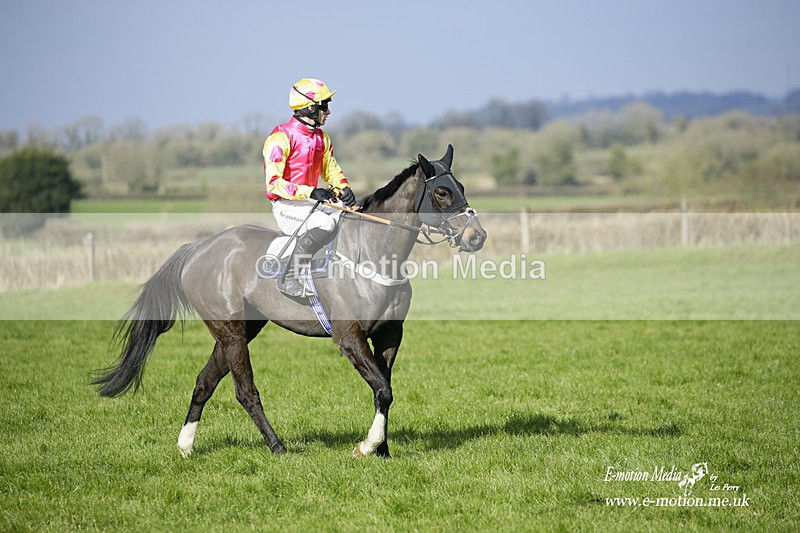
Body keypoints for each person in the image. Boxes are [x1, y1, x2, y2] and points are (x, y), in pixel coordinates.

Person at [262, 78, 357, 297]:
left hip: (310, 202)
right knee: (324, 224)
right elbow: (273, 185)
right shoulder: (280, 137)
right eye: (325, 105)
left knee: (350, 216)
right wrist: (311, 192)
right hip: (286, 205)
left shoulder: (322, 138)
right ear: (310, 107)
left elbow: (331, 170)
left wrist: (344, 189)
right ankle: (290, 277)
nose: (328, 112)